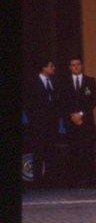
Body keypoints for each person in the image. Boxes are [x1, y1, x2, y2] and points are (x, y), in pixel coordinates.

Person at [60, 57, 96, 187]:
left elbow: (94, 100)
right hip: (71, 122)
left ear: (81, 66)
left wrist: (81, 114)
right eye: (73, 65)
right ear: (70, 67)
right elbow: (62, 101)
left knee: (88, 150)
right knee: (73, 150)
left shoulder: (90, 81)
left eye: (78, 64)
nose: (75, 67)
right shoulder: (64, 83)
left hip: (86, 122)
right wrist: (72, 115)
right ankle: (74, 181)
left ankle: (90, 181)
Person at [24, 59, 60, 188]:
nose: (53, 68)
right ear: (44, 68)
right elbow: (28, 104)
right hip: (38, 125)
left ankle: (49, 181)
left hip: (51, 125)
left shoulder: (53, 83)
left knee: (50, 152)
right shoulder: (33, 83)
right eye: (51, 66)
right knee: (38, 152)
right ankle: (37, 182)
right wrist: (34, 121)